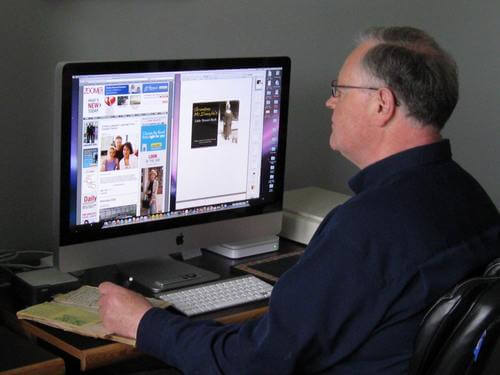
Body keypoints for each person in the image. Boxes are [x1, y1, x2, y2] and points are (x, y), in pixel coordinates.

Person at [98, 26, 500, 374]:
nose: (330, 102)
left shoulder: (366, 229)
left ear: (382, 104)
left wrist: (143, 321)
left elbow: (250, 364)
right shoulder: (471, 196)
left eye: (339, 90)